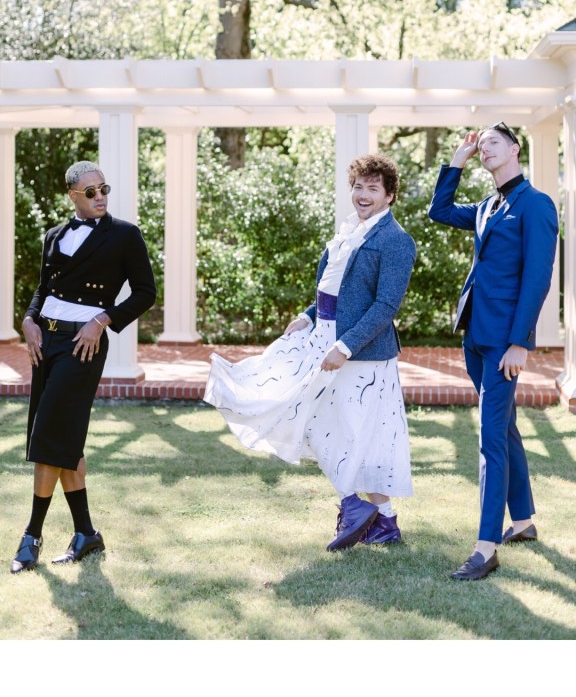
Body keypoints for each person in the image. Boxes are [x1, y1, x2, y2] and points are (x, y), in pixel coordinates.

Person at [205, 153, 417, 552]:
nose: (363, 194)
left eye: (373, 188)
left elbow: (386, 305)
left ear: (389, 196)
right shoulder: (349, 231)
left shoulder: (396, 240)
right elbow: (333, 288)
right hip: (324, 338)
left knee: (347, 431)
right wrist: (307, 316)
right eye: (358, 186)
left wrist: (345, 346)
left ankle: (360, 509)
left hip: (362, 354)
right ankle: (380, 519)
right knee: (324, 425)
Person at [11, 160, 156, 574]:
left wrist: (102, 320)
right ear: (73, 195)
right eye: (91, 192)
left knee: (47, 435)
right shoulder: (54, 235)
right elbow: (43, 289)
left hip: (83, 344)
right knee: (65, 438)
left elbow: (145, 292)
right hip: (46, 342)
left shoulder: (125, 235)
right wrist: (28, 320)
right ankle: (86, 534)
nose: (100, 197)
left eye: (104, 189)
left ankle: (31, 536)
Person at [428, 122, 558, 581]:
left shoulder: (536, 204)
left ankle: (486, 547)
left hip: (505, 342)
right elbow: (439, 211)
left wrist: (521, 342)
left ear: (515, 148)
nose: (485, 149)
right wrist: (457, 161)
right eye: (481, 146)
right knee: (505, 427)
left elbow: (538, 277)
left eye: (493, 143)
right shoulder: (486, 206)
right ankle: (522, 521)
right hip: (475, 335)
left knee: (490, 438)